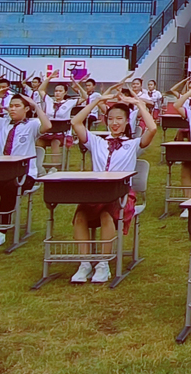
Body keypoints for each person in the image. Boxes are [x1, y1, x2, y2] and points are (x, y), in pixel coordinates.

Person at [67, 93, 157, 283]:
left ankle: (103, 263)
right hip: (96, 193)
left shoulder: (132, 145)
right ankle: (84, 263)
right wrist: (96, 102)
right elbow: (76, 122)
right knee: (81, 215)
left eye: (119, 119)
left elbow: (152, 128)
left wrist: (138, 103)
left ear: (126, 122)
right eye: (110, 119)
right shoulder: (97, 141)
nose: (114, 123)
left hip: (122, 195)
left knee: (107, 214)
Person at [0, 88, 51, 247]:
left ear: (26, 109)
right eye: (11, 106)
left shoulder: (32, 125)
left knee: (10, 189)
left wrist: (36, 106)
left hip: (25, 174)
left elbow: (47, 126)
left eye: (16, 106)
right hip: (2, 172)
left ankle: (1, 230)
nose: (12, 109)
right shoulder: (2, 123)